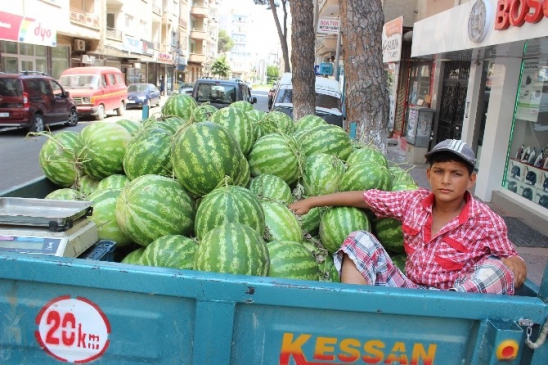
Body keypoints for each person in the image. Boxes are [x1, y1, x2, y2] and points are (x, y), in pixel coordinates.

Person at [289, 139, 527, 295]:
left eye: (456, 174)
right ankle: (357, 312)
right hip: (408, 292)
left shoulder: (486, 220)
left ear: (471, 180)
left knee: (498, 269)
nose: (446, 180)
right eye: (439, 172)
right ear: (429, 175)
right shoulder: (413, 201)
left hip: (454, 303)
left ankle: (439, 321)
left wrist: (517, 263)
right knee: (359, 240)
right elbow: (365, 197)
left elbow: (511, 259)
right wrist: (312, 202)